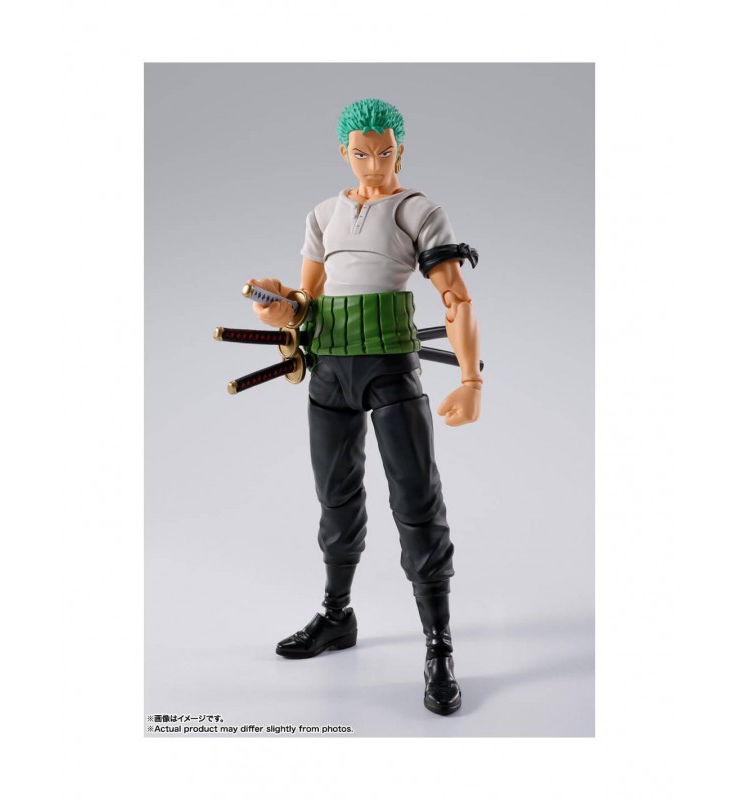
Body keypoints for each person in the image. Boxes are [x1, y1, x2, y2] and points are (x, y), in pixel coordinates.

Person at [249, 98, 481, 715]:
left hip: (390, 368)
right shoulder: (323, 214)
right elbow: (306, 300)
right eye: (361, 153)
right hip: (329, 370)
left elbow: (456, 299)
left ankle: (439, 643)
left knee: (416, 499)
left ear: (401, 150)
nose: (373, 164)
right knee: (336, 497)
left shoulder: (418, 211)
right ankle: (337, 615)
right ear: (343, 153)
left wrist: (470, 380)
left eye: (384, 152)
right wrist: (276, 305)